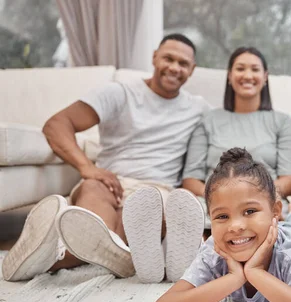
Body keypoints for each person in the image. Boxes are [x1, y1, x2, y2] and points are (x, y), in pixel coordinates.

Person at [2, 34, 211, 281]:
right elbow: (57, 125)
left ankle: (51, 257)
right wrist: (87, 168)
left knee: (133, 225)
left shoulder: (199, 109)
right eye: (168, 58)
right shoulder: (119, 92)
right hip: (107, 182)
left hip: (156, 190)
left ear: (192, 70)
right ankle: (119, 257)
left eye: (183, 63)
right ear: (155, 57)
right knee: (93, 220)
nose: (174, 67)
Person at [148, 148, 291, 302]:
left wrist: (255, 273)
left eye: (250, 211)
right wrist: (234, 278)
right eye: (222, 216)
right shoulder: (214, 251)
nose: (235, 226)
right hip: (269, 229)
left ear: (275, 210)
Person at [181, 47, 291, 204]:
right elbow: (190, 180)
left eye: (255, 69)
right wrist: (220, 196)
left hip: (263, 203)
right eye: (240, 69)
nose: (247, 75)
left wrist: (254, 195)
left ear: (265, 76)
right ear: (229, 76)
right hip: (213, 204)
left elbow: (289, 181)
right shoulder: (208, 120)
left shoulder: (283, 122)